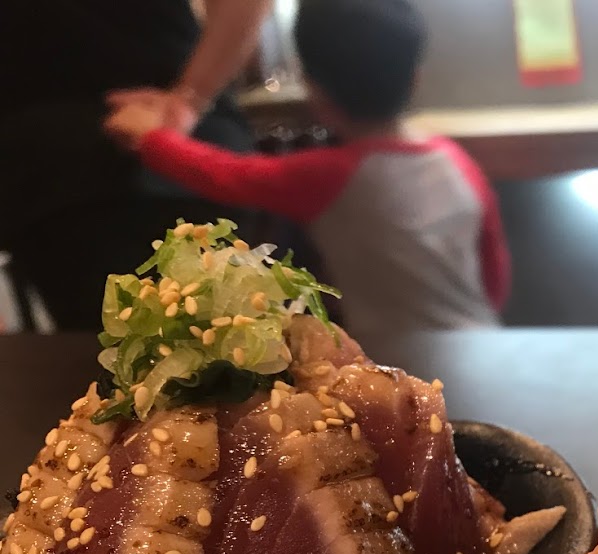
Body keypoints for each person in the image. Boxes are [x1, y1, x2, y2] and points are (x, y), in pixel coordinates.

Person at [106, 0, 510, 331]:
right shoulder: (457, 162)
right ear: (416, 78)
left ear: (315, 92)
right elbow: (494, 277)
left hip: (398, 355)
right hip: (483, 338)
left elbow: (223, 174)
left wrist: (150, 138)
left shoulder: (329, 176)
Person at [0, 0, 271, 329]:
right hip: (163, 154)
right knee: (227, 338)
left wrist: (189, 99)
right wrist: (191, 98)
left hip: (70, 170)